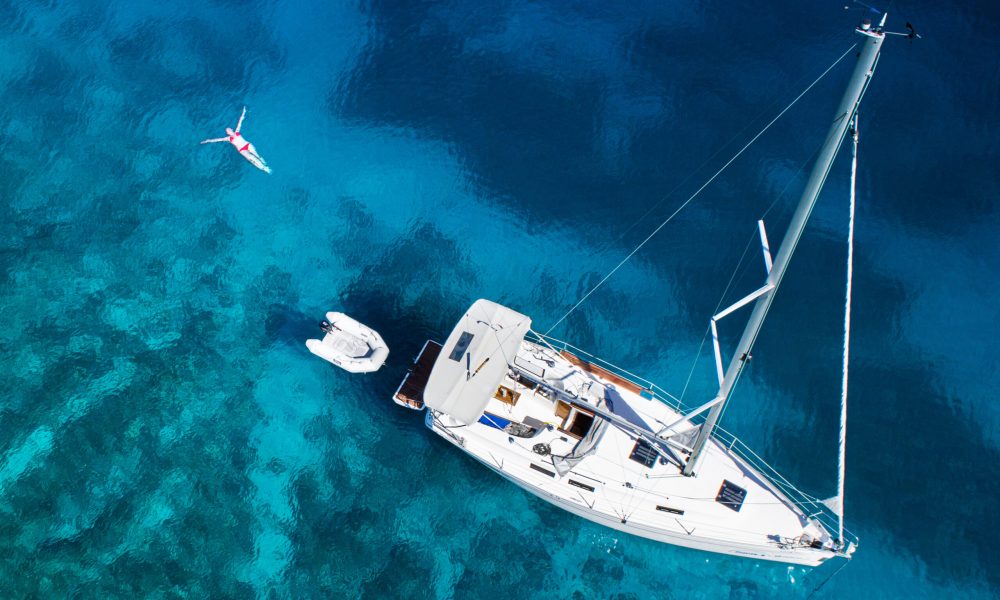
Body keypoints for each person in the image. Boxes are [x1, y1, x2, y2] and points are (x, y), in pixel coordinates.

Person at [200, 106, 271, 173]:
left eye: (228, 130)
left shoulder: (237, 132)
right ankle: (264, 168)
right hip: (242, 150)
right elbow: (217, 139)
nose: (228, 131)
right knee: (251, 158)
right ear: (227, 133)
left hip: (247, 144)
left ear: (231, 129)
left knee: (256, 154)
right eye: (227, 131)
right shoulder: (228, 138)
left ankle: (265, 163)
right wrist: (208, 140)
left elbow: (240, 121)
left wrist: (244, 111)